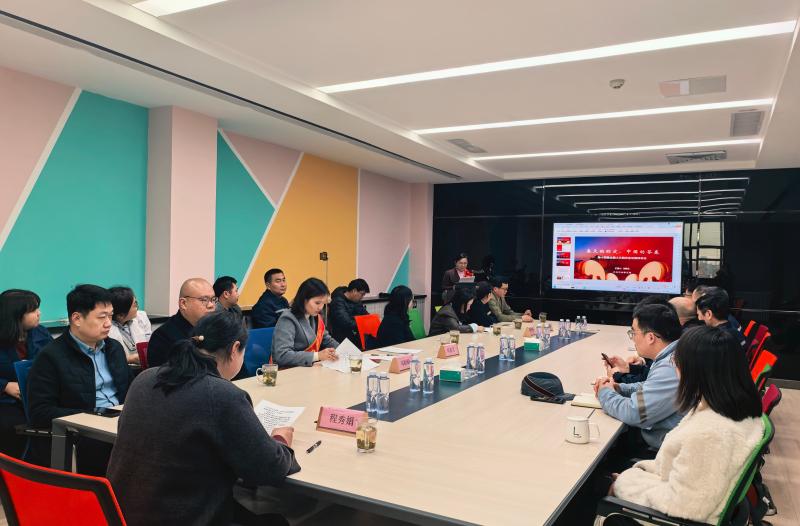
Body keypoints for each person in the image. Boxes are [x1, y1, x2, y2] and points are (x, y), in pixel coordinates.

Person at [108, 311, 300, 526]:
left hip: (121, 515)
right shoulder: (222, 395)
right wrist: (280, 440)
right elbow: (269, 469)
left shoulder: (145, 378)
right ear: (235, 348)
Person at [610, 326, 764, 524]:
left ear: (695, 371)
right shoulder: (733, 410)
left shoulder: (709, 433)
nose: (674, 369)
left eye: (677, 363)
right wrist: (637, 475)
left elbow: (684, 506)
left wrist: (625, 484)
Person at [27, 285, 131, 473]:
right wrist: (92, 415)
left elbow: (129, 390)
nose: (109, 323)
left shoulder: (114, 348)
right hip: (84, 433)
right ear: (77, 319)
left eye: (110, 316)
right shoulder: (51, 357)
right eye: (102, 317)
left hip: (121, 423)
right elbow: (41, 412)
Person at [594, 304, 683, 451]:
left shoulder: (670, 367)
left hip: (663, 452)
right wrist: (619, 388)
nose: (632, 339)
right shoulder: (673, 355)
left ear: (650, 337)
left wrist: (605, 393)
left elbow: (635, 413)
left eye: (633, 333)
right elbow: (650, 386)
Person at [0, 290, 52, 458]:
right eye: (33, 310)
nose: (39, 313)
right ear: (15, 314)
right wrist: (5, 386)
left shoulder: (40, 333)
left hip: (37, 395)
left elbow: (54, 362)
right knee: (12, 426)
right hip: (7, 400)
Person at [148, 278, 216, 367]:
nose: (211, 305)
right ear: (183, 303)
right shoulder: (163, 337)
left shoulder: (214, 328)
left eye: (213, 299)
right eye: (204, 300)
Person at [272, 278, 339, 367]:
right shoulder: (288, 318)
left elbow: (327, 340)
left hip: (307, 368)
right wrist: (317, 355)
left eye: (323, 303)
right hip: (289, 370)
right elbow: (282, 355)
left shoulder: (315, 316)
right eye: (317, 303)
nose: (320, 307)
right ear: (304, 299)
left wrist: (345, 350)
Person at [108, 286, 152, 365]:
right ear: (121, 315)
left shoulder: (141, 317)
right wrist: (128, 359)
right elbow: (108, 358)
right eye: (135, 305)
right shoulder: (106, 328)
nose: (137, 307)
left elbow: (149, 344)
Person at [329, 279, 370, 346]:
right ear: (354, 291)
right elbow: (346, 322)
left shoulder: (356, 301)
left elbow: (365, 314)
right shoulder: (337, 302)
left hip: (354, 334)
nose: (362, 297)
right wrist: (363, 323)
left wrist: (371, 320)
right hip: (341, 337)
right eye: (362, 294)